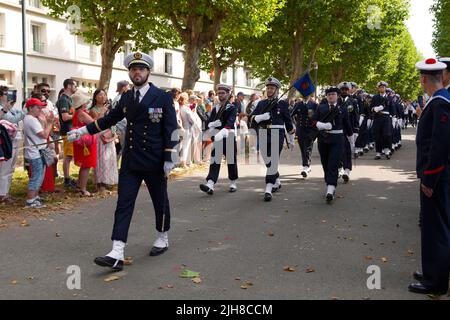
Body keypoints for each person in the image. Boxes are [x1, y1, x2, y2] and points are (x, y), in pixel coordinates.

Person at [67, 52, 178, 271]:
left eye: (141, 69)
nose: (137, 72)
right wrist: (82, 131)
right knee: (124, 203)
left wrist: (169, 157)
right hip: (131, 159)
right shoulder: (126, 98)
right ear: (129, 72)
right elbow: (109, 119)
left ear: (148, 72)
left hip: (155, 159)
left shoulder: (162, 97)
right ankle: (117, 251)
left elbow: (171, 129)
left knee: (159, 200)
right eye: (133, 69)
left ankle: (162, 236)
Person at [409, 58, 450, 296]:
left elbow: (440, 146)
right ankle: (432, 271)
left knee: (436, 228)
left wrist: (429, 179)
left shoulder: (440, 103)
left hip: (437, 178)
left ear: (424, 79)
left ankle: (436, 282)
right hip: (437, 176)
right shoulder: (439, 100)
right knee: (433, 226)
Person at [249, 77, 295, 202]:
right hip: (263, 133)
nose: (269, 90)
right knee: (267, 160)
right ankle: (277, 180)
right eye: (268, 88)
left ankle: (268, 188)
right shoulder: (262, 103)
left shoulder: (282, 103)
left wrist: (291, 139)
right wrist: (259, 118)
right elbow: (252, 119)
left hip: (277, 133)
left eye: (272, 88)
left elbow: (288, 121)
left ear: (277, 90)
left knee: (273, 160)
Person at [312, 87, 353, 202]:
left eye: (333, 94)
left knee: (333, 163)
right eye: (329, 94)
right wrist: (321, 125)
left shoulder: (342, 109)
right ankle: (329, 182)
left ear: (337, 96)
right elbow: (312, 121)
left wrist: (351, 136)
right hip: (323, 139)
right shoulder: (321, 107)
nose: (331, 96)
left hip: (337, 139)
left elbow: (347, 124)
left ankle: (331, 188)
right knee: (325, 163)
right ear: (326, 96)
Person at [199, 84, 238, 195]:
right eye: (219, 93)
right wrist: (212, 123)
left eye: (223, 93)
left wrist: (219, 132)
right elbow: (208, 122)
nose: (220, 95)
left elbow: (229, 124)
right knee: (215, 160)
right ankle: (210, 184)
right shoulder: (215, 108)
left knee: (231, 160)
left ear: (227, 94)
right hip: (217, 137)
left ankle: (233, 181)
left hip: (228, 136)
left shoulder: (232, 107)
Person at [23, 98, 54, 208]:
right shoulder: (31, 119)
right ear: (30, 108)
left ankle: (35, 197)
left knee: (39, 175)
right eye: (38, 107)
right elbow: (44, 135)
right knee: (36, 176)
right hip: (35, 152)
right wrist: (50, 123)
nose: (40, 110)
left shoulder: (31, 118)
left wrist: (44, 121)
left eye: (41, 107)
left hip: (37, 151)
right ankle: (31, 200)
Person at [89, 89, 118, 193]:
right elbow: (96, 122)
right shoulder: (93, 109)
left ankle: (108, 181)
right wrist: (103, 112)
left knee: (109, 159)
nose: (102, 97)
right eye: (100, 95)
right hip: (99, 136)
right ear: (95, 97)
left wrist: (115, 133)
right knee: (101, 160)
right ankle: (100, 183)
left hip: (109, 134)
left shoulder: (110, 108)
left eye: (104, 95)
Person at [71, 92, 97, 197]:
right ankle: (83, 188)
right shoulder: (82, 113)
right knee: (86, 166)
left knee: (83, 166)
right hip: (86, 143)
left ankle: (80, 186)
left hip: (80, 141)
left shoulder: (75, 113)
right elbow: (93, 124)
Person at [56, 79, 78, 188]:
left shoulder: (69, 99)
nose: (76, 87)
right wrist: (76, 115)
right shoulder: (63, 99)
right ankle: (67, 179)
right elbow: (65, 117)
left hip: (71, 130)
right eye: (75, 85)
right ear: (69, 86)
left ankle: (68, 178)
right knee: (68, 156)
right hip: (67, 131)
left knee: (69, 155)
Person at [290, 94, 318, 178]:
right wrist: (294, 125)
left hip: (310, 131)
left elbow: (318, 118)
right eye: (303, 94)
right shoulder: (298, 104)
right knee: (303, 149)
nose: (304, 95)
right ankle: (307, 166)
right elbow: (290, 115)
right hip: (300, 130)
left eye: (306, 94)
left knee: (307, 148)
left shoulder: (314, 105)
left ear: (309, 95)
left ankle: (306, 166)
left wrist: (316, 130)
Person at [370, 81, 393, 160]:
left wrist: (394, 118)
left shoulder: (389, 98)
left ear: (385, 88)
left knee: (386, 134)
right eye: (380, 87)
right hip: (377, 117)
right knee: (378, 135)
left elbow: (392, 109)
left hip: (386, 118)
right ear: (378, 88)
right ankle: (378, 153)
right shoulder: (375, 97)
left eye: (383, 87)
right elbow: (371, 107)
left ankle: (387, 150)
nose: (382, 88)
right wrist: (375, 109)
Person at [111, 80, 130, 160]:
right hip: (121, 126)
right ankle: (114, 168)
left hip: (116, 125)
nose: (129, 88)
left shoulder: (116, 97)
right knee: (121, 148)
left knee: (117, 147)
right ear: (124, 88)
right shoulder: (122, 98)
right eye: (128, 86)